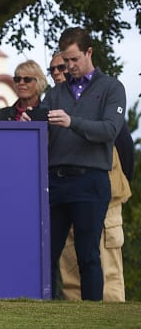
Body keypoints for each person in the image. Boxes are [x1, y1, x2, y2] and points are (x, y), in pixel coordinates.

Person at [41, 28, 127, 301]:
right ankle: (41, 311)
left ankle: (91, 314)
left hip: (91, 181)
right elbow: (43, 130)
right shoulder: (55, 93)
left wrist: (72, 122)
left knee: (88, 254)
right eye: (65, 61)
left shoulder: (111, 88)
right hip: (56, 181)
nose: (69, 67)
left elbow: (110, 130)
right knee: (46, 254)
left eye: (74, 59)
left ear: (89, 52)